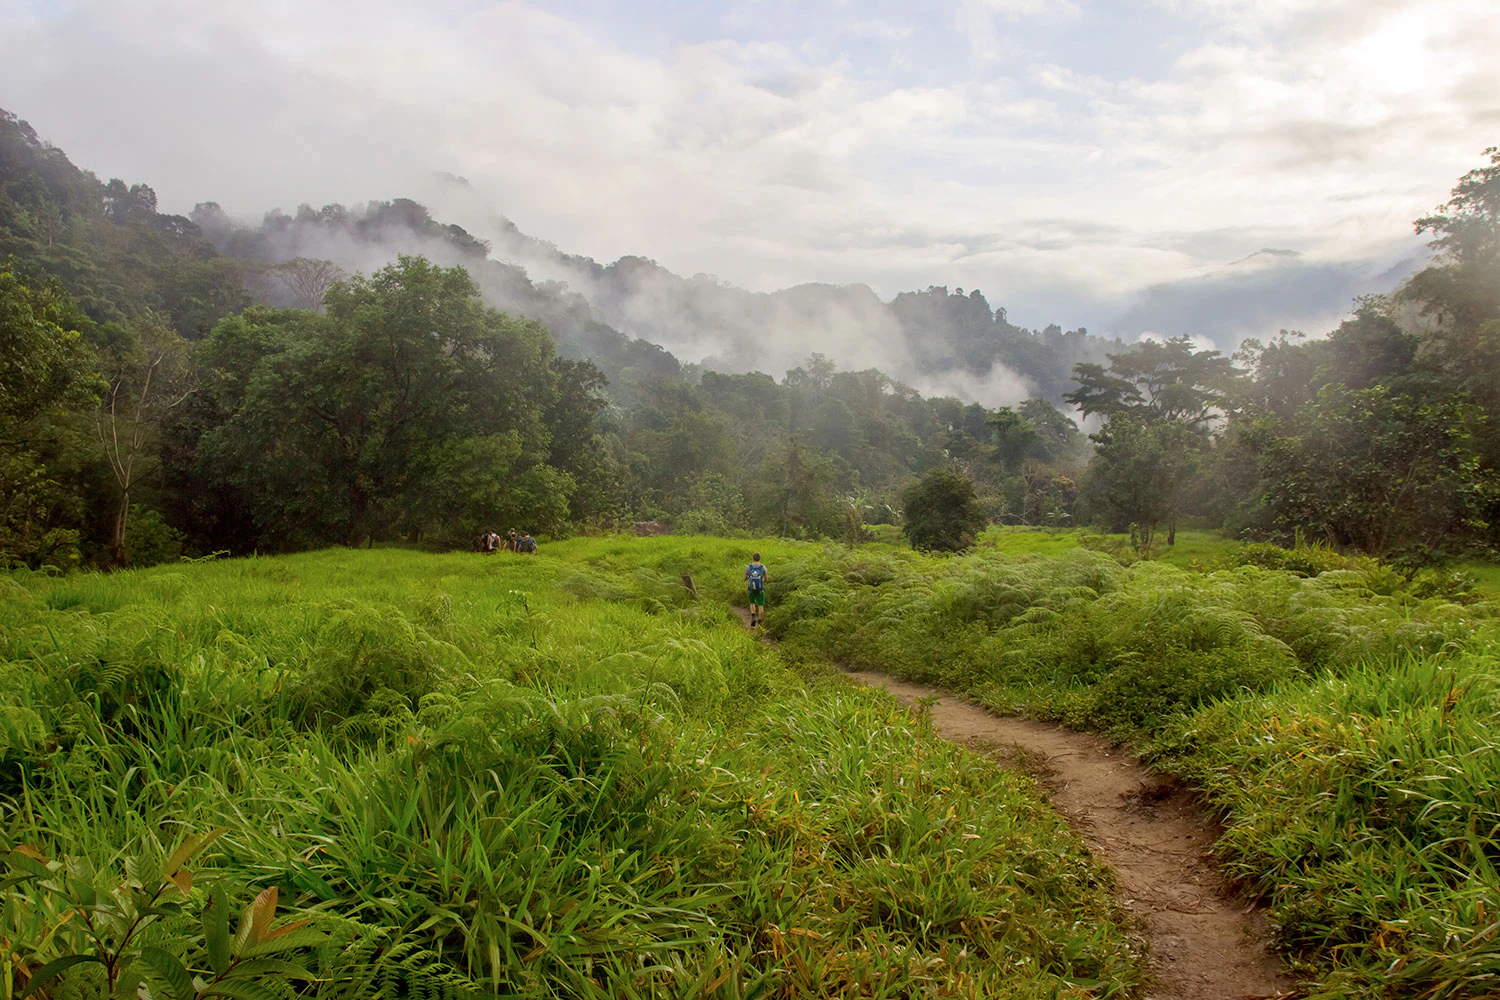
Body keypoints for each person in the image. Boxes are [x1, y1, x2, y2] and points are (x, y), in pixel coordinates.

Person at [744, 552, 768, 627]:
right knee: (761, 605)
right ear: (759, 558)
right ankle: (760, 621)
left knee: (752, 603)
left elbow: (745, 578)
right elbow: (766, 579)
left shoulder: (749, 567)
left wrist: (748, 578)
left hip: (751, 588)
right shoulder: (762, 567)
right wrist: (762, 580)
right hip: (760, 589)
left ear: (753, 558)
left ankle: (753, 616)